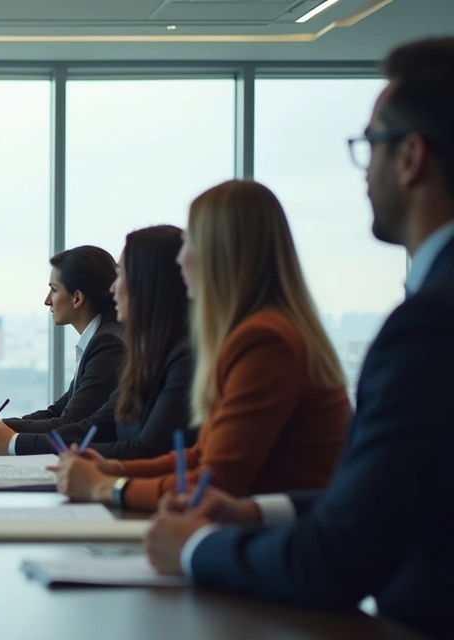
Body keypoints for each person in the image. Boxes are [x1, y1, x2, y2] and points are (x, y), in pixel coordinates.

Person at [144, 37, 454, 639]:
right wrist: (254, 512)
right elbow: (388, 499)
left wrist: (196, 548)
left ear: (412, 158)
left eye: (371, 146)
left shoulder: (428, 326)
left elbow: (336, 560)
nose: (364, 170)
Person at [52, 180, 351, 512]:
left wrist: (106, 488)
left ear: (221, 254)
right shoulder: (256, 333)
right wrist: (116, 470)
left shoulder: (265, 342)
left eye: (191, 241)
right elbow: (200, 456)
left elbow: (216, 482)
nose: (181, 259)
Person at [0, 226, 192, 459]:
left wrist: (12, 442)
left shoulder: (116, 344)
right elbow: (89, 422)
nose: (114, 288)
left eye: (123, 275)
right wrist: (3, 431)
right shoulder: (145, 355)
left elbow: (140, 448)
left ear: (148, 284)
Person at [0, 246, 125, 441]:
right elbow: (58, 411)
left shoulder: (107, 344)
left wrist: (7, 436)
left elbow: (69, 422)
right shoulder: (99, 337)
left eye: (53, 289)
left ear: (77, 298)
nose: (47, 301)